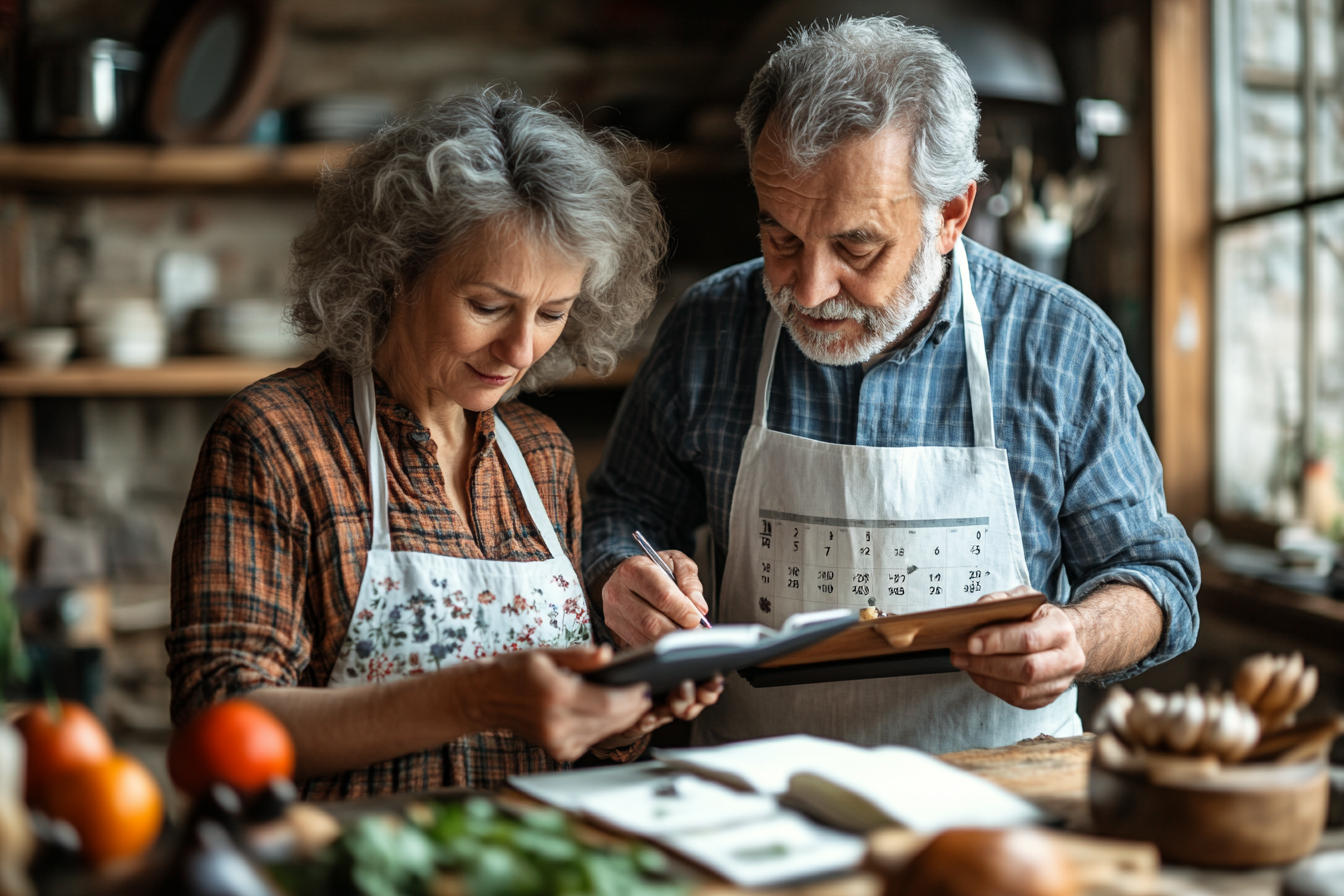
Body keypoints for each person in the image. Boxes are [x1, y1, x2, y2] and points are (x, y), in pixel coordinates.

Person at [583, 18, 1199, 753]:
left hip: (994, 797)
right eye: (780, 236)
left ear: (951, 214)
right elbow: (623, 509)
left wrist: (1079, 636)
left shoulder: (1061, 342)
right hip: (752, 792)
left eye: (856, 246)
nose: (808, 289)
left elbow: (1155, 575)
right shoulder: (711, 326)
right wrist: (623, 576)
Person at [167, 90, 721, 799]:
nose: (521, 349)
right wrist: (476, 697)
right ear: (396, 272)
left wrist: (630, 708)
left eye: (552, 313)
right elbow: (216, 727)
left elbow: (575, 752)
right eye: (488, 305)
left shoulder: (541, 457)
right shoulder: (276, 439)